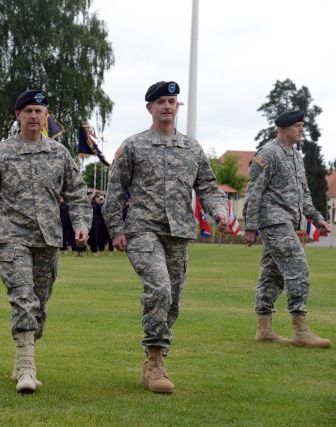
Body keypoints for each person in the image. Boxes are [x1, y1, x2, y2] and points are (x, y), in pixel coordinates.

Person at [103, 81, 228, 394]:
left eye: (172, 101)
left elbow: (208, 188)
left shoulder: (192, 149)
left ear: (177, 106)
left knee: (172, 301)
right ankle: (157, 362)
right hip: (142, 229)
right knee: (159, 288)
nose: (167, 107)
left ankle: (151, 359)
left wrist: (220, 212)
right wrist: (116, 229)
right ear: (150, 108)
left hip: (178, 232)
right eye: (161, 102)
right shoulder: (133, 146)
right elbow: (114, 191)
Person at [0, 89, 92, 393]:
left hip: (47, 240)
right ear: (18, 115)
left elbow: (77, 194)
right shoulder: (0, 153)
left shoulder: (59, 154)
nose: (34, 116)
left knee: (39, 306)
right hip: (12, 238)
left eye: (40, 111)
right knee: (22, 298)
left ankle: (22, 358)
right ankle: (27, 370)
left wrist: (81, 224)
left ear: (47, 116)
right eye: (29, 111)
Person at [242, 111, 332, 348]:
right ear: (282, 129)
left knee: (272, 275)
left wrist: (317, 218)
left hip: (288, 221)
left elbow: (304, 194)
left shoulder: (295, 156)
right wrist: (249, 226)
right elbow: (254, 192)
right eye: (298, 126)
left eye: (303, 125)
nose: (302, 129)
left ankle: (264, 329)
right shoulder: (269, 153)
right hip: (273, 221)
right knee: (298, 268)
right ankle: (300, 330)